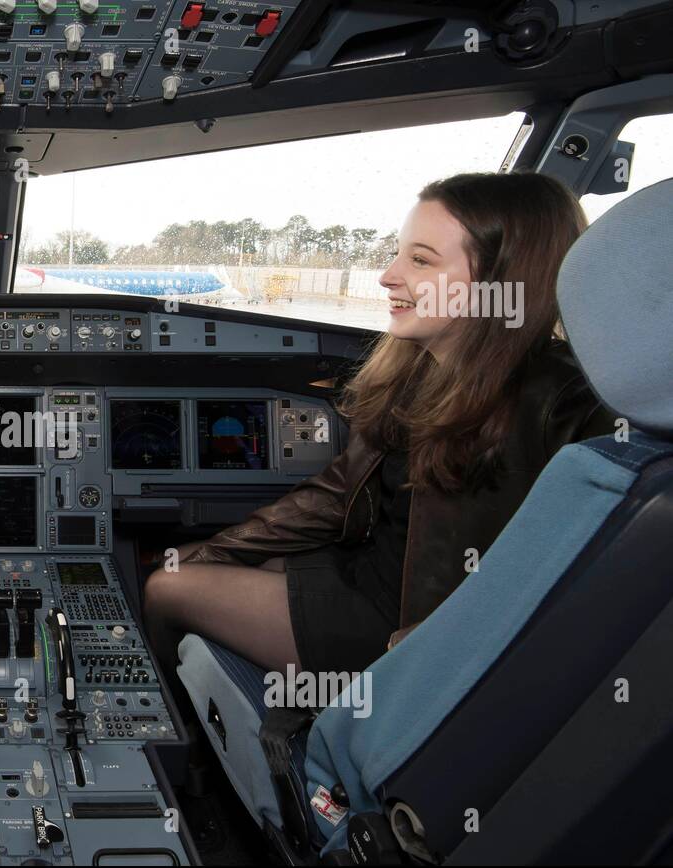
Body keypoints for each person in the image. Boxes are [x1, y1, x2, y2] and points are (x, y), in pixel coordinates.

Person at [143, 171, 613, 681]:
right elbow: (339, 494)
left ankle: (183, 749)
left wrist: (425, 649)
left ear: (499, 282)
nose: (388, 276)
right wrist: (213, 549)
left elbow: (568, 566)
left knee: (164, 587)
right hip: (364, 572)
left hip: (405, 626)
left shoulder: (563, 400)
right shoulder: (419, 369)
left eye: (420, 260)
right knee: (174, 565)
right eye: (398, 253)